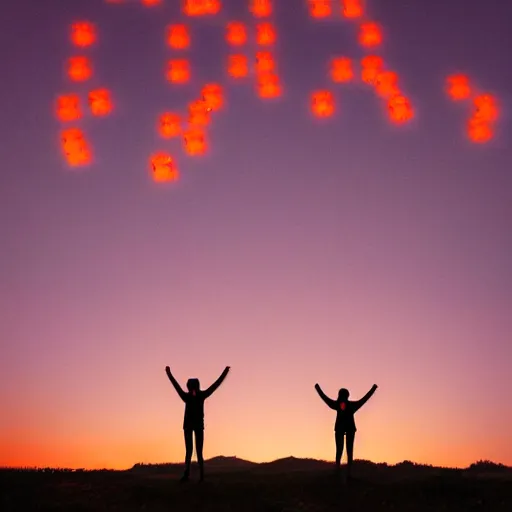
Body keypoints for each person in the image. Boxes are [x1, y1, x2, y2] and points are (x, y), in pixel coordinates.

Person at [165, 365, 230, 482]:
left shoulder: (189, 396)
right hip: (195, 426)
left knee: (192, 451)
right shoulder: (198, 396)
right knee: (195, 452)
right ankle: (197, 476)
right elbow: (216, 385)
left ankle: (192, 476)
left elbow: (176, 386)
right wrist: (225, 373)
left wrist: (169, 374)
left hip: (192, 426)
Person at [314, 382, 378, 479]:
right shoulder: (350, 406)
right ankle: (345, 473)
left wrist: (317, 388)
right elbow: (364, 399)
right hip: (348, 429)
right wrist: (373, 389)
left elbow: (325, 398)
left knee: (341, 451)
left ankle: (341, 473)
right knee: (347, 451)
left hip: (344, 429)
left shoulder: (338, 404)